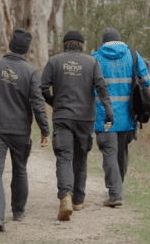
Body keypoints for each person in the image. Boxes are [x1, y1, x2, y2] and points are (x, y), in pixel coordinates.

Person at [0, 29, 50, 232]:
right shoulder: (30, 72)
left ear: (10, 45)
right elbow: (37, 103)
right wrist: (44, 129)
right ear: (26, 49)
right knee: (20, 169)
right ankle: (17, 211)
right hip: (20, 131)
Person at [41, 30, 114, 221]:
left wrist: (53, 102)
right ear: (82, 44)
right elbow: (101, 87)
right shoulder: (92, 63)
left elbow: (42, 88)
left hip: (62, 117)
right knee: (81, 157)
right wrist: (109, 111)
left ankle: (65, 196)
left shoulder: (54, 61)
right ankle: (78, 200)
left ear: (65, 44)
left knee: (64, 157)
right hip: (85, 119)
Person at [91, 27, 150, 207]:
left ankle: (114, 193)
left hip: (104, 116)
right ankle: (118, 188)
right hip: (128, 116)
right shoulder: (133, 56)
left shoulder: (96, 58)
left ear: (103, 42)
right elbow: (147, 81)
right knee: (121, 152)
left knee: (109, 153)